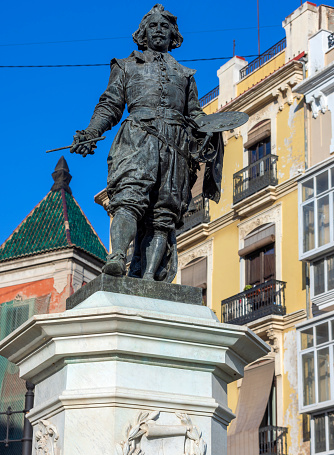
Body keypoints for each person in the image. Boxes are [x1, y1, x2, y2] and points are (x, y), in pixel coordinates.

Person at [71, 4, 223, 282]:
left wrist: (211, 127)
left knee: (164, 211)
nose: (158, 30)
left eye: (165, 26)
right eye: (153, 26)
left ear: (173, 35)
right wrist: (92, 131)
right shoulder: (126, 66)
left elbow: (195, 114)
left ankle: (151, 276)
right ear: (142, 33)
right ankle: (117, 257)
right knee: (129, 197)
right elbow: (110, 104)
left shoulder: (186, 75)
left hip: (175, 145)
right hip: (138, 137)